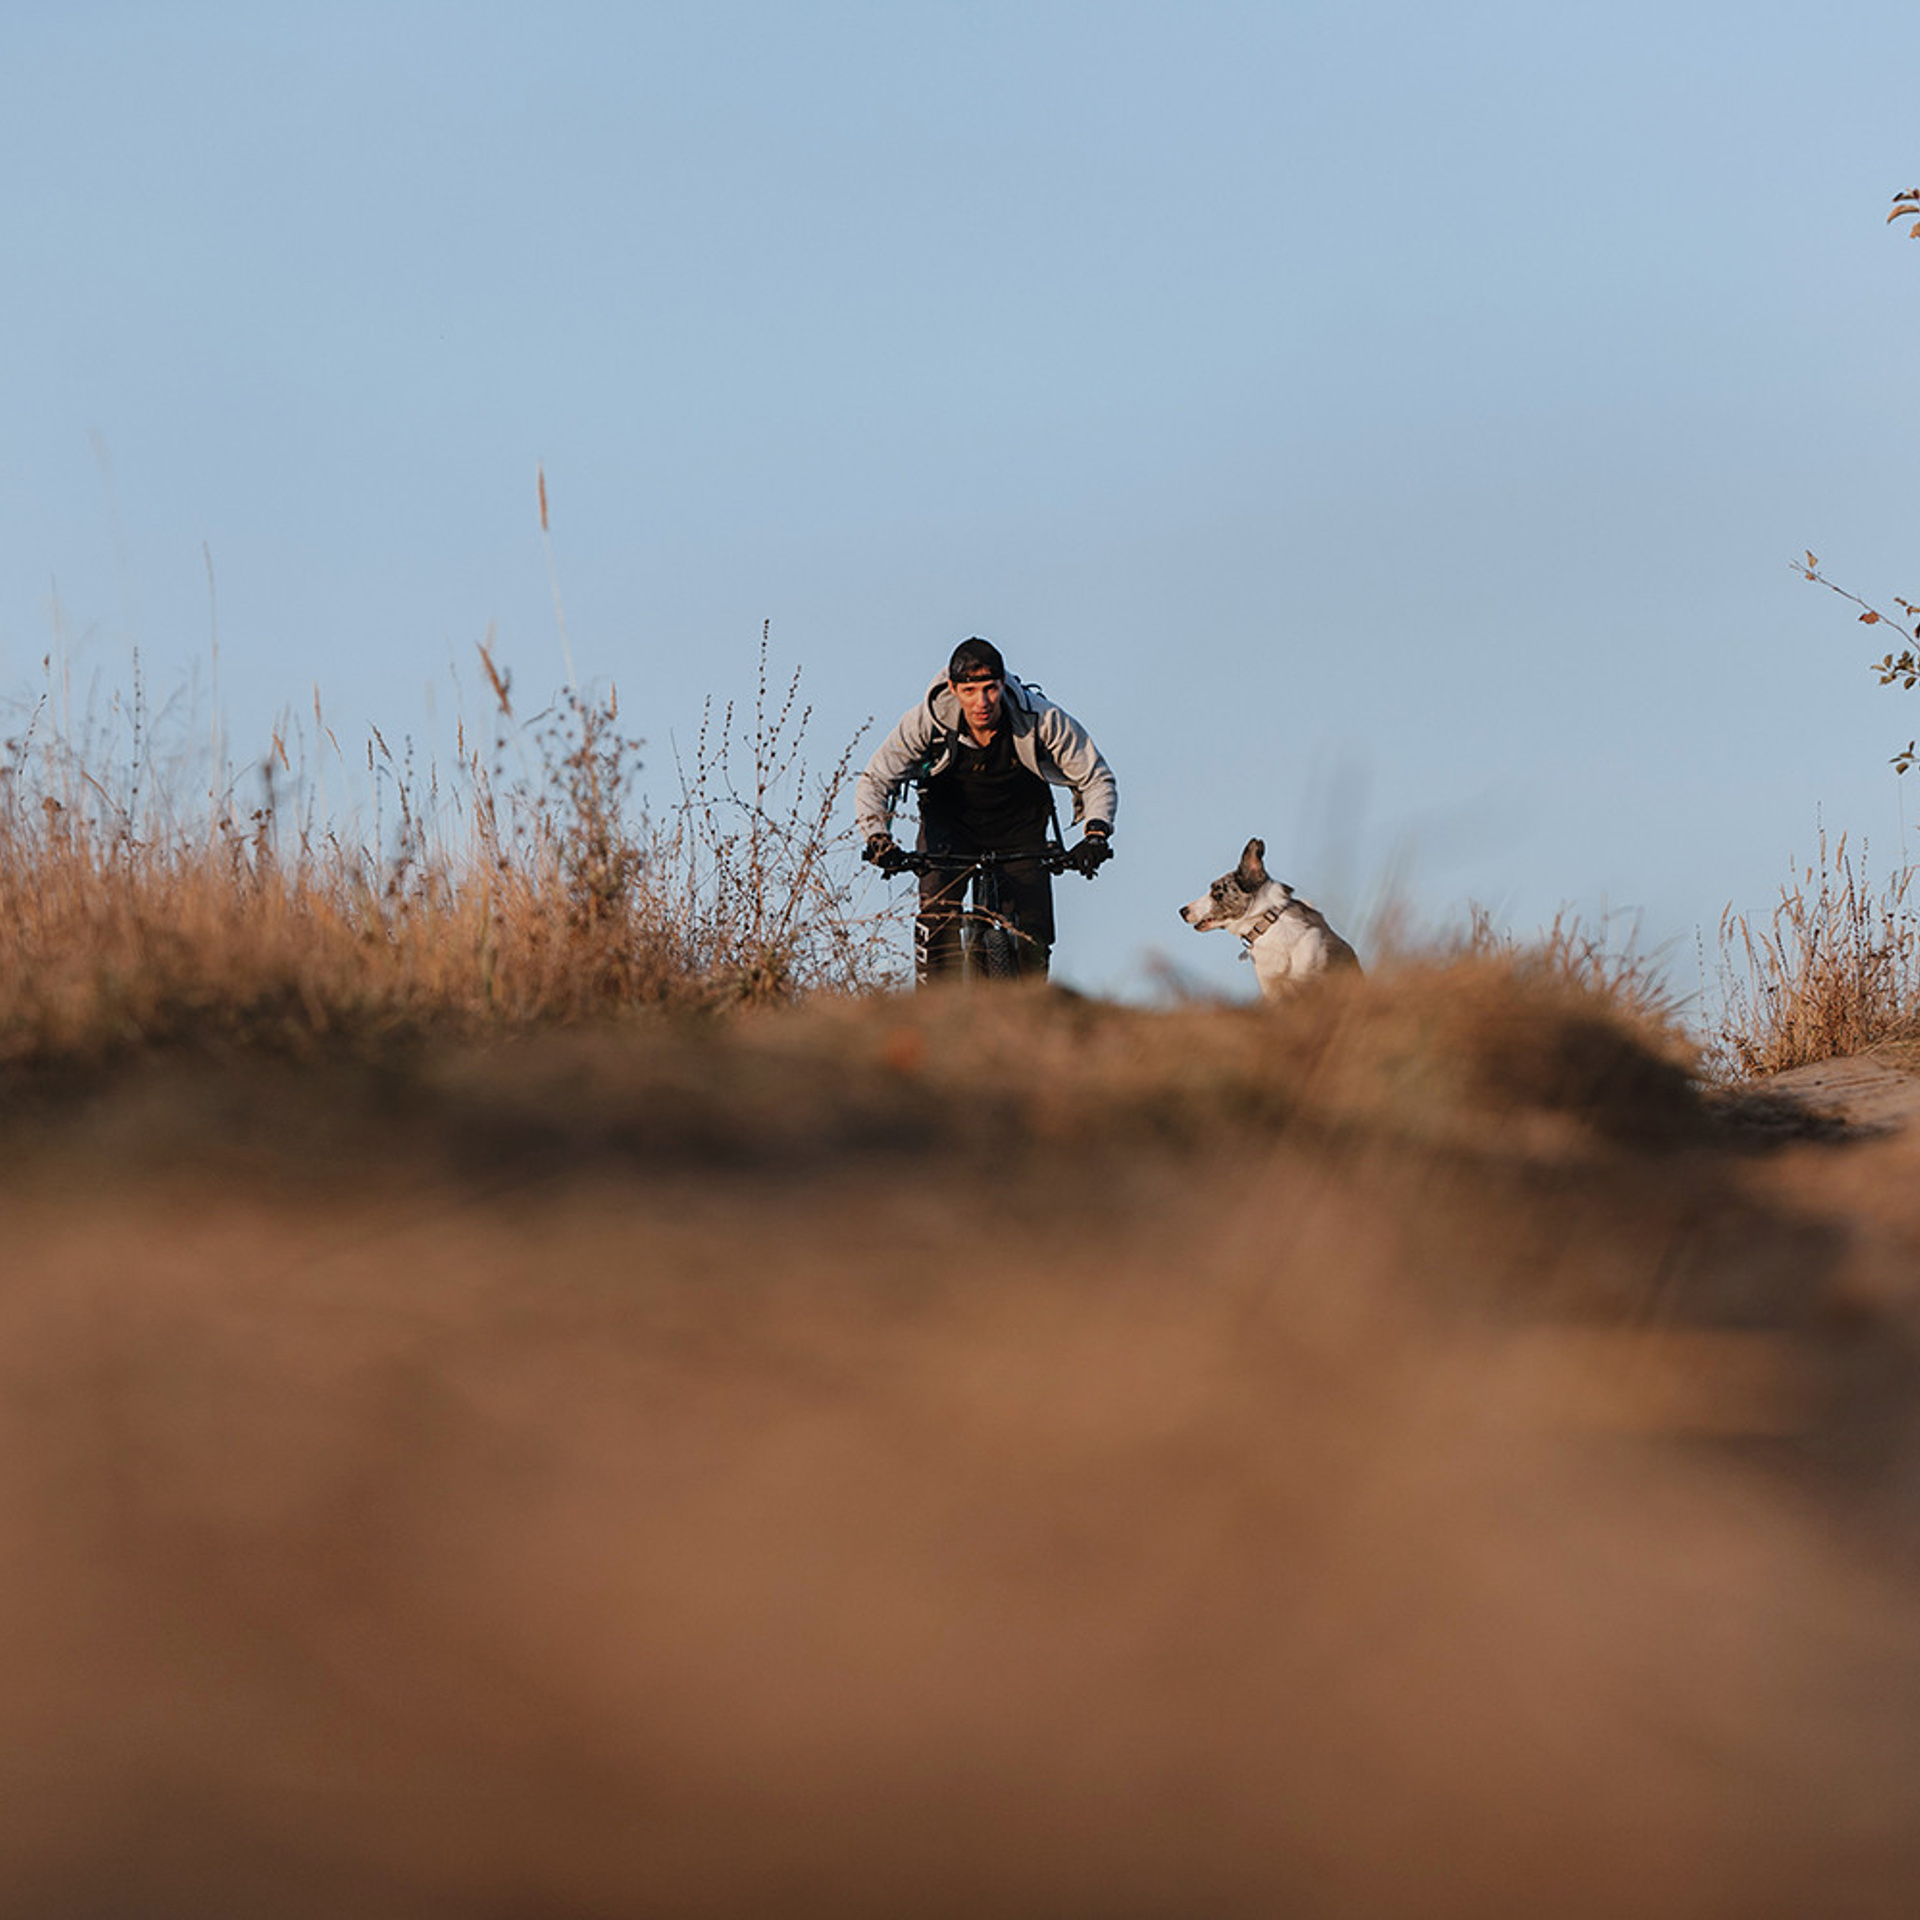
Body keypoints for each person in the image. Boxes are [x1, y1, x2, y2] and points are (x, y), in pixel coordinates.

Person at [855, 637, 1117, 984]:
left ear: (1003, 683)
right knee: (937, 919)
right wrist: (878, 839)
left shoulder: (1039, 717)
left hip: (1021, 828)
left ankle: (1031, 1020)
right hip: (948, 829)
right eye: (970, 690)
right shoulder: (926, 721)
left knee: (1032, 938)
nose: (982, 702)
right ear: (953, 688)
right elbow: (875, 780)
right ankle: (933, 1013)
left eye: (990, 689)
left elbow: (1096, 776)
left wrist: (1096, 834)